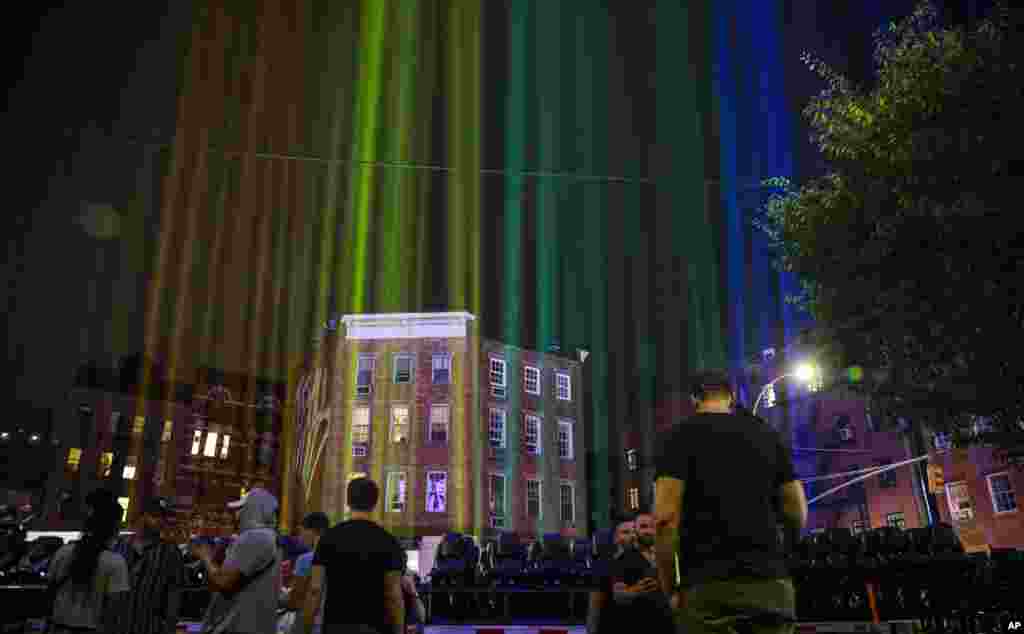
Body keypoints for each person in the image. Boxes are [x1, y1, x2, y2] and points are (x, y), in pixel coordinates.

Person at [654, 370, 808, 634]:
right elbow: (796, 508)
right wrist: (785, 555)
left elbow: (665, 519)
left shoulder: (678, 438)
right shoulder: (766, 434)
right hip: (770, 584)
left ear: (694, 399)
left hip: (707, 589)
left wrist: (670, 587)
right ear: (732, 396)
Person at [304, 477, 405, 634]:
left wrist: (305, 629)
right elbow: (393, 595)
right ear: (375, 503)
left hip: (336, 627)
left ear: (348, 501)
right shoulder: (389, 542)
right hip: (375, 628)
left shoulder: (329, 538)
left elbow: (315, 589)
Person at [194, 488, 280, 634]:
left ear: (254, 510)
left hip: (240, 625)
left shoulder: (256, 537)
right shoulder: (269, 537)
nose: (237, 515)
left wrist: (206, 557)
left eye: (242, 509)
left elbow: (223, 581)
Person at [46, 488, 130, 634]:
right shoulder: (115, 563)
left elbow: (49, 592)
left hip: (58, 627)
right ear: (114, 528)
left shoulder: (63, 553)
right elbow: (115, 610)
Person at [116, 496, 185, 634]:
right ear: (141, 515)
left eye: (163, 516)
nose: (160, 521)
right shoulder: (119, 545)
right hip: (117, 625)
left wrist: (170, 626)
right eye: (155, 515)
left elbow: (174, 593)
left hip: (149, 626)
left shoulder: (170, 552)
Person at [609, 512, 674, 633]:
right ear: (635, 530)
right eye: (643, 527)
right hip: (639, 626)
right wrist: (636, 590)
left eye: (652, 526)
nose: (648, 531)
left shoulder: (667, 557)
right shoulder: (624, 559)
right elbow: (618, 595)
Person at [586, 517, 636, 634]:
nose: (632, 536)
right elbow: (595, 607)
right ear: (615, 538)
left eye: (634, 531)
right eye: (625, 532)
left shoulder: (648, 563)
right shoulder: (604, 565)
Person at [287, 512, 331, 634]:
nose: (300, 536)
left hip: (309, 623)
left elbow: (295, 599)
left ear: (316, 531)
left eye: (302, 531)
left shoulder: (305, 559)